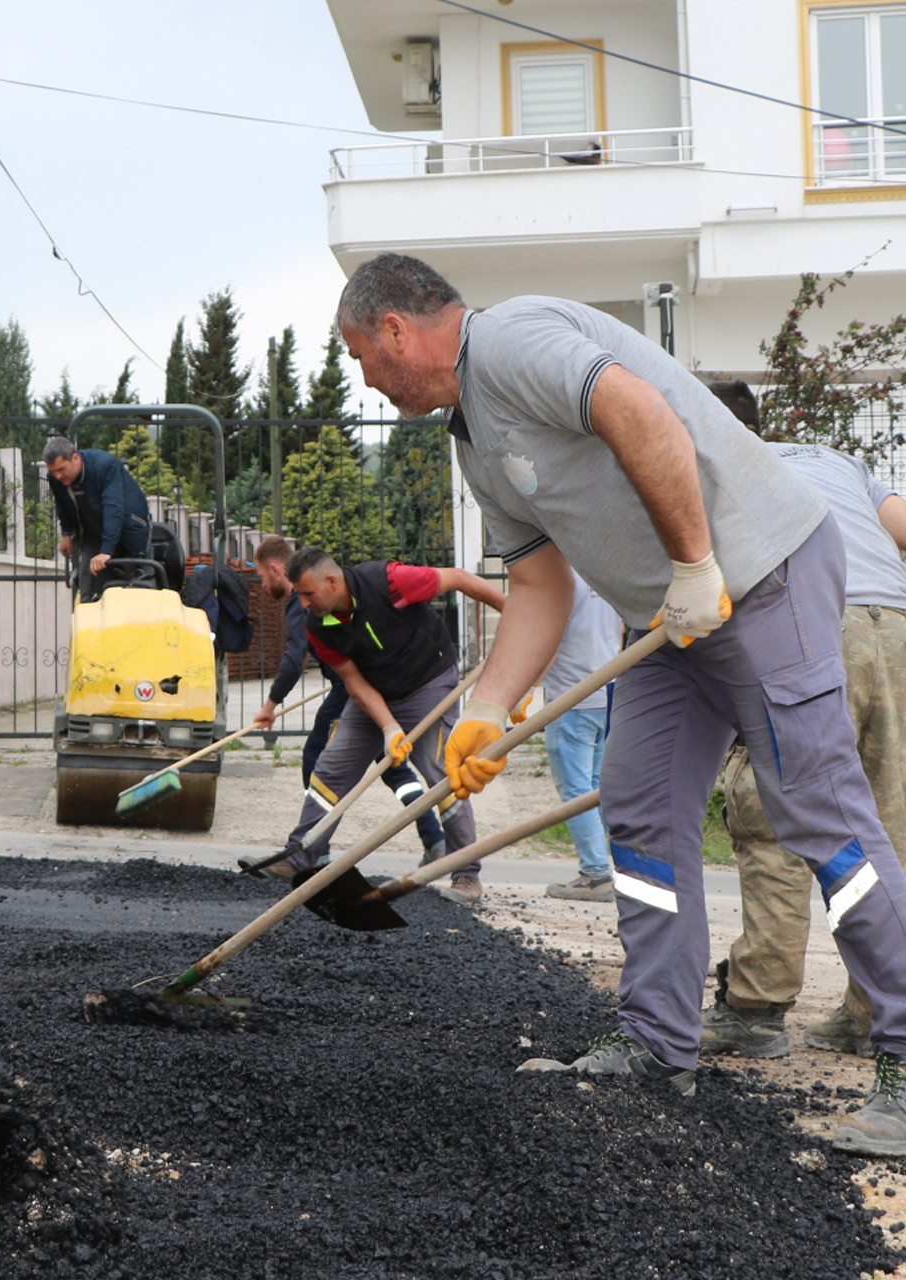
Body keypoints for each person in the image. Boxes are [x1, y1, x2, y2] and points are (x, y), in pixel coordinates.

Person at [335, 252, 906, 1154]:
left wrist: (693, 564)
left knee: (817, 810)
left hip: (759, 574)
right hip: (672, 617)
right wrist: (488, 708)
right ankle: (657, 1042)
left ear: (394, 330)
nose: (367, 378)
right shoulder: (473, 433)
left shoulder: (513, 339)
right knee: (639, 816)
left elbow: (640, 411)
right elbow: (537, 581)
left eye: (362, 357)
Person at [698, 382, 906, 1061]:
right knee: (884, 824)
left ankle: (756, 1008)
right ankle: (875, 1011)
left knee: (771, 814)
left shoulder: (713, 467)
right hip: (897, 628)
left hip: (814, 622)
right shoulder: (835, 460)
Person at [245, 544, 505, 905]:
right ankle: (299, 857)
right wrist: (388, 727)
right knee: (331, 769)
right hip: (374, 690)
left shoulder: (391, 581)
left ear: (332, 582)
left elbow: (459, 578)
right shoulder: (319, 625)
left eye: (307, 594)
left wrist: (513, 615)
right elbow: (354, 681)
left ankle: (466, 875)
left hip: (428, 682)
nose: (303, 604)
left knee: (442, 772)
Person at [246, 534, 447, 874]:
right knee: (392, 761)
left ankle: (313, 851)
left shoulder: (303, 602)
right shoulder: (315, 596)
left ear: (276, 568)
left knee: (318, 757)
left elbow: (295, 659)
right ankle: (433, 837)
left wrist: (270, 704)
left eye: (263, 576)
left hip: (350, 690)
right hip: (355, 684)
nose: (264, 584)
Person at [540, 570, 622, 902]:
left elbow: (545, 639)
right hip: (606, 694)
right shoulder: (606, 572)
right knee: (596, 789)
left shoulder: (560, 579)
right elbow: (619, 631)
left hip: (570, 698)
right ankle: (612, 870)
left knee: (577, 790)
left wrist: (523, 692)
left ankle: (596, 874)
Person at [44, 436, 150, 601]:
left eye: (61, 469)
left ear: (75, 458)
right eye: (53, 471)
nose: (57, 476)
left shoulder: (104, 465)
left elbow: (113, 508)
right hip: (95, 535)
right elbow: (62, 504)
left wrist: (106, 551)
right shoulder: (56, 479)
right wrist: (67, 533)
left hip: (129, 534)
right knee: (89, 592)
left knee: (134, 595)